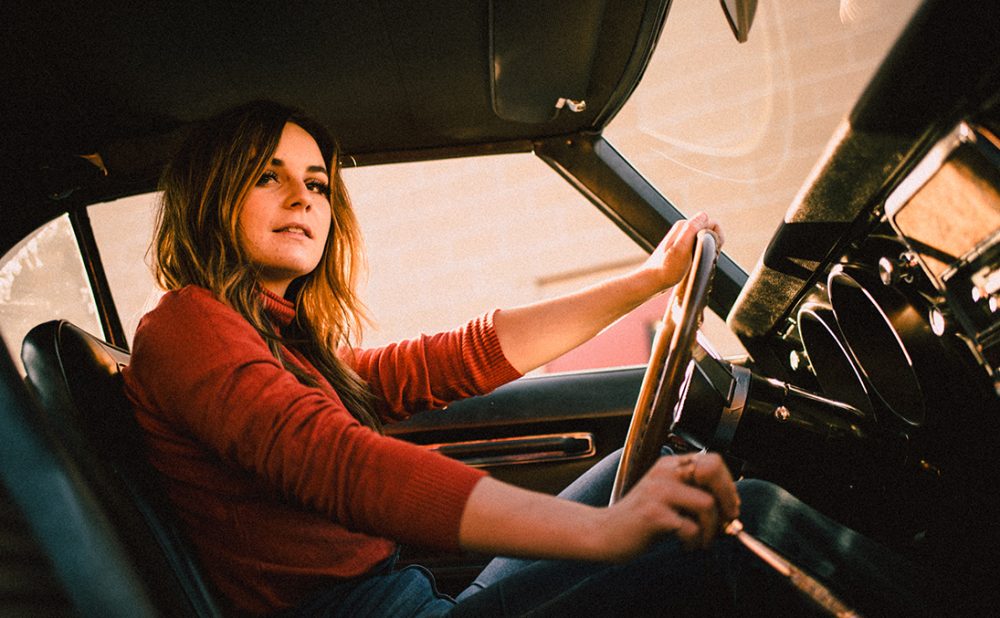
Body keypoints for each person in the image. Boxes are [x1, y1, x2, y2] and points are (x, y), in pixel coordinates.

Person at [122, 101, 927, 616]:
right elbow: (343, 465)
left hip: (411, 595)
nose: (306, 198)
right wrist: (605, 536)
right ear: (212, 195)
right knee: (751, 526)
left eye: (319, 184)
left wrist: (649, 279)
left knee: (661, 468)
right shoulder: (186, 327)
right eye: (270, 178)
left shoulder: (275, 335)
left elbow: (452, 360)